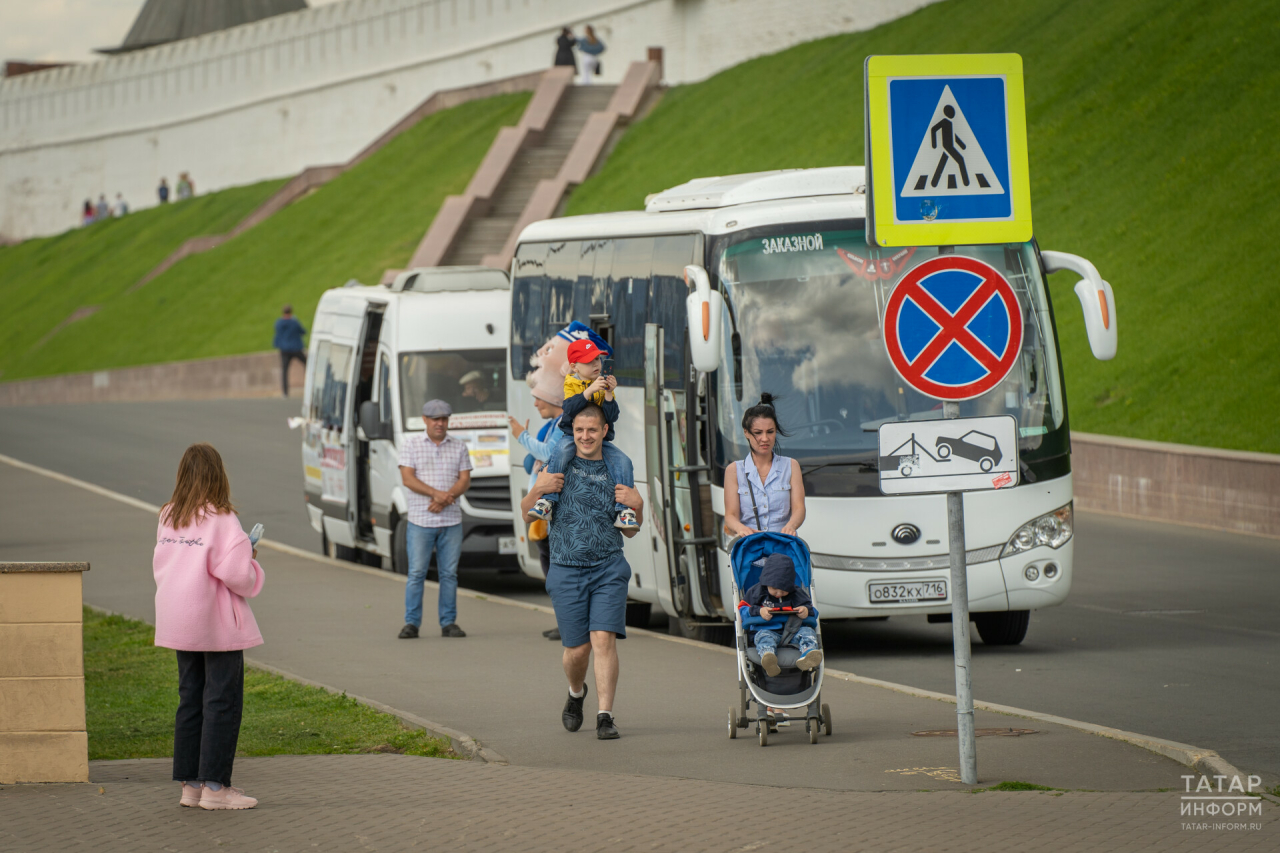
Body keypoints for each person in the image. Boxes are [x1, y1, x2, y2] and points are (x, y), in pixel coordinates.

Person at [152, 443, 265, 811]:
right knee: (221, 700)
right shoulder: (223, 519)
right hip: (214, 622)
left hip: (178, 616)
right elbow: (235, 574)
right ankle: (217, 789)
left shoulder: (169, 514)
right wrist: (250, 556)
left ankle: (190, 786)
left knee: (190, 698)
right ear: (218, 475)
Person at [521, 404, 644, 739]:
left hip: (608, 567)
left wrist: (638, 504)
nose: (585, 437)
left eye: (592, 430)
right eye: (579, 430)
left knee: (603, 640)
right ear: (571, 431)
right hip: (565, 568)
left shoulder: (617, 465)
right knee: (577, 650)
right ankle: (577, 693)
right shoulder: (558, 462)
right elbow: (528, 515)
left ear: (604, 431)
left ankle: (605, 716)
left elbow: (631, 530)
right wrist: (539, 488)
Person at [527, 339, 636, 530]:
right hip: (571, 437)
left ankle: (624, 511)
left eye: (598, 360)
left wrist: (609, 394)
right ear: (574, 367)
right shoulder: (571, 382)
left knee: (624, 462)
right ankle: (547, 502)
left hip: (601, 442)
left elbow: (612, 417)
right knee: (559, 454)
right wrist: (588, 391)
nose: (596, 364)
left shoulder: (602, 384)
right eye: (589, 361)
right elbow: (568, 408)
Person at [398, 399, 473, 639]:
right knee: (417, 573)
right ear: (425, 420)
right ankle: (411, 623)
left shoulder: (459, 446)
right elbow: (407, 478)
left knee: (449, 574)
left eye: (444, 419)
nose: (440, 424)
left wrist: (445, 497)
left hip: (450, 521)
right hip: (421, 520)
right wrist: (436, 494)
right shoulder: (410, 444)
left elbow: (464, 480)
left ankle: (448, 622)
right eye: (435, 419)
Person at [509, 382, 566, 640]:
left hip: (549, 506)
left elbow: (548, 452)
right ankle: (563, 621)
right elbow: (534, 459)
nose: (535, 404)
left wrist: (522, 435)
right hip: (541, 506)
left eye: (538, 398)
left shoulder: (564, 422)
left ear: (552, 397)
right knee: (549, 566)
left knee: (555, 569)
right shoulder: (554, 424)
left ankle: (567, 623)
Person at [723, 393, 806, 538]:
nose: (765, 438)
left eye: (770, 432)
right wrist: (741, 529)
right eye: (758, 433)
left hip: (782, 546)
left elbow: (799, 508)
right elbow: (730, 515)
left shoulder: (791, 465)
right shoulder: (734, 470)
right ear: (746, 433)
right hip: (750, 547)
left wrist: (790, 526)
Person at [738, 553, 821, 677]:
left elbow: (813, 611)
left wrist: (805, 610)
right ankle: (769, 657)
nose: (779, 594)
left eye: (784, 591)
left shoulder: (796, 593)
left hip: (793, 631)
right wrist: (758, 611)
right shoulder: (757, 592)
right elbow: (742, 609)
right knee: (763, 637)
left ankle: (808, 654)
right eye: (774, 589)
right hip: (767, 630)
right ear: (766, 582)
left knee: (808, 633)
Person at [272, 305, 307, 398]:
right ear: (291, 312)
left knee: (284, 371)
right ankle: (309, 387)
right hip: (296, 348)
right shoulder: (294, 322)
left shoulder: (279, 323)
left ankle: (285, 392)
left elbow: (277, 333)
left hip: (284, 349)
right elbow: (303, 331)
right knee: (307, 365)